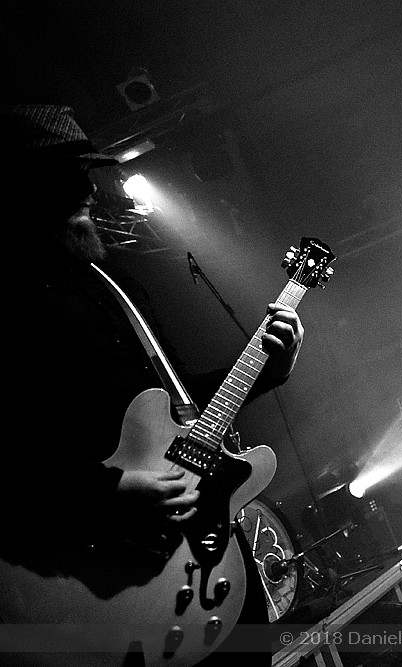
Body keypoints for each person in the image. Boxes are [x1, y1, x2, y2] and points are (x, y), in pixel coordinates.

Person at [2, 104, 305, 665]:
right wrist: (110, 489)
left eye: (89, 173)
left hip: (202, 556)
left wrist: (269, 370)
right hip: (106, 566)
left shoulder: (112, 281)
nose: (90, 191)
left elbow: (179, 404)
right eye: (70, 175)